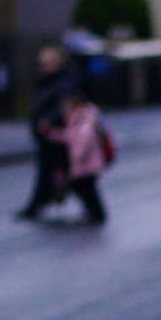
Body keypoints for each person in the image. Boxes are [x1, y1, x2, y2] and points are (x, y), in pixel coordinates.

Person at [16, 44, 70, 221]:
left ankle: (37, 205)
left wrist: (49, 121)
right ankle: (39, 204)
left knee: (73, 175)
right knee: (47, 172)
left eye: (47, 63)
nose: (44, 66)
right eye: (42, 63)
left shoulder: (61, 83)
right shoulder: (47, 82)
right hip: (46, 136)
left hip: (56, 135)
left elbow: (63, 107)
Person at [58, 89, 112, 223]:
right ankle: (94, 212)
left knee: (85, 189)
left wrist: (77, 157)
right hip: (86, 162)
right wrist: (51, 133)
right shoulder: (78, 117)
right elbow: (69, 136)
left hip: (86, 163)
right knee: (87, 190)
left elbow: (84, 138)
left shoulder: (83, 118)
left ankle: (96, 213)